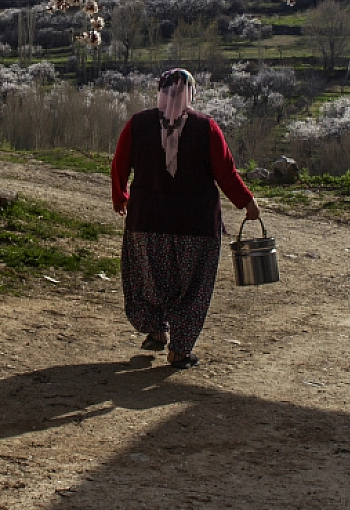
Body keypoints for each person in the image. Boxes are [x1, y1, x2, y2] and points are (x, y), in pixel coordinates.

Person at [110, 68, 260, 368]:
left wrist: (120, 198)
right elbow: (225, 172)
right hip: (197, 226)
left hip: (147, 222)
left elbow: (119, 164)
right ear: (192, 93)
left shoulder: (138, 124)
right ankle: (180, 348)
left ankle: (156, 329)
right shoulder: (207, 128)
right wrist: (247, 202)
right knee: (193, 286)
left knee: (151, 279)